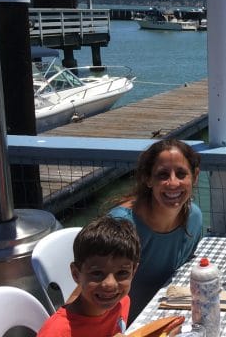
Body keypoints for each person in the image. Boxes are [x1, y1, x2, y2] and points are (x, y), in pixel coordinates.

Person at [109, 139, 203, 321]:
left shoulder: (194, 218)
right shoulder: (121, 225)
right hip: (124, 324)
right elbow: (89, 291)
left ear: (195, 176)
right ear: (148, 179)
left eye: (181, 174)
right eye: (162, 175)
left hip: (170, 314)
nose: (173, 183)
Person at [38, 216, 141, 337]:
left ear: (133, 272)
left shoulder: (122, 302)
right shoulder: (55, 333)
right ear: (76, 274)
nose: (110, 284)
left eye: (122, 273)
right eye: (97, 273)